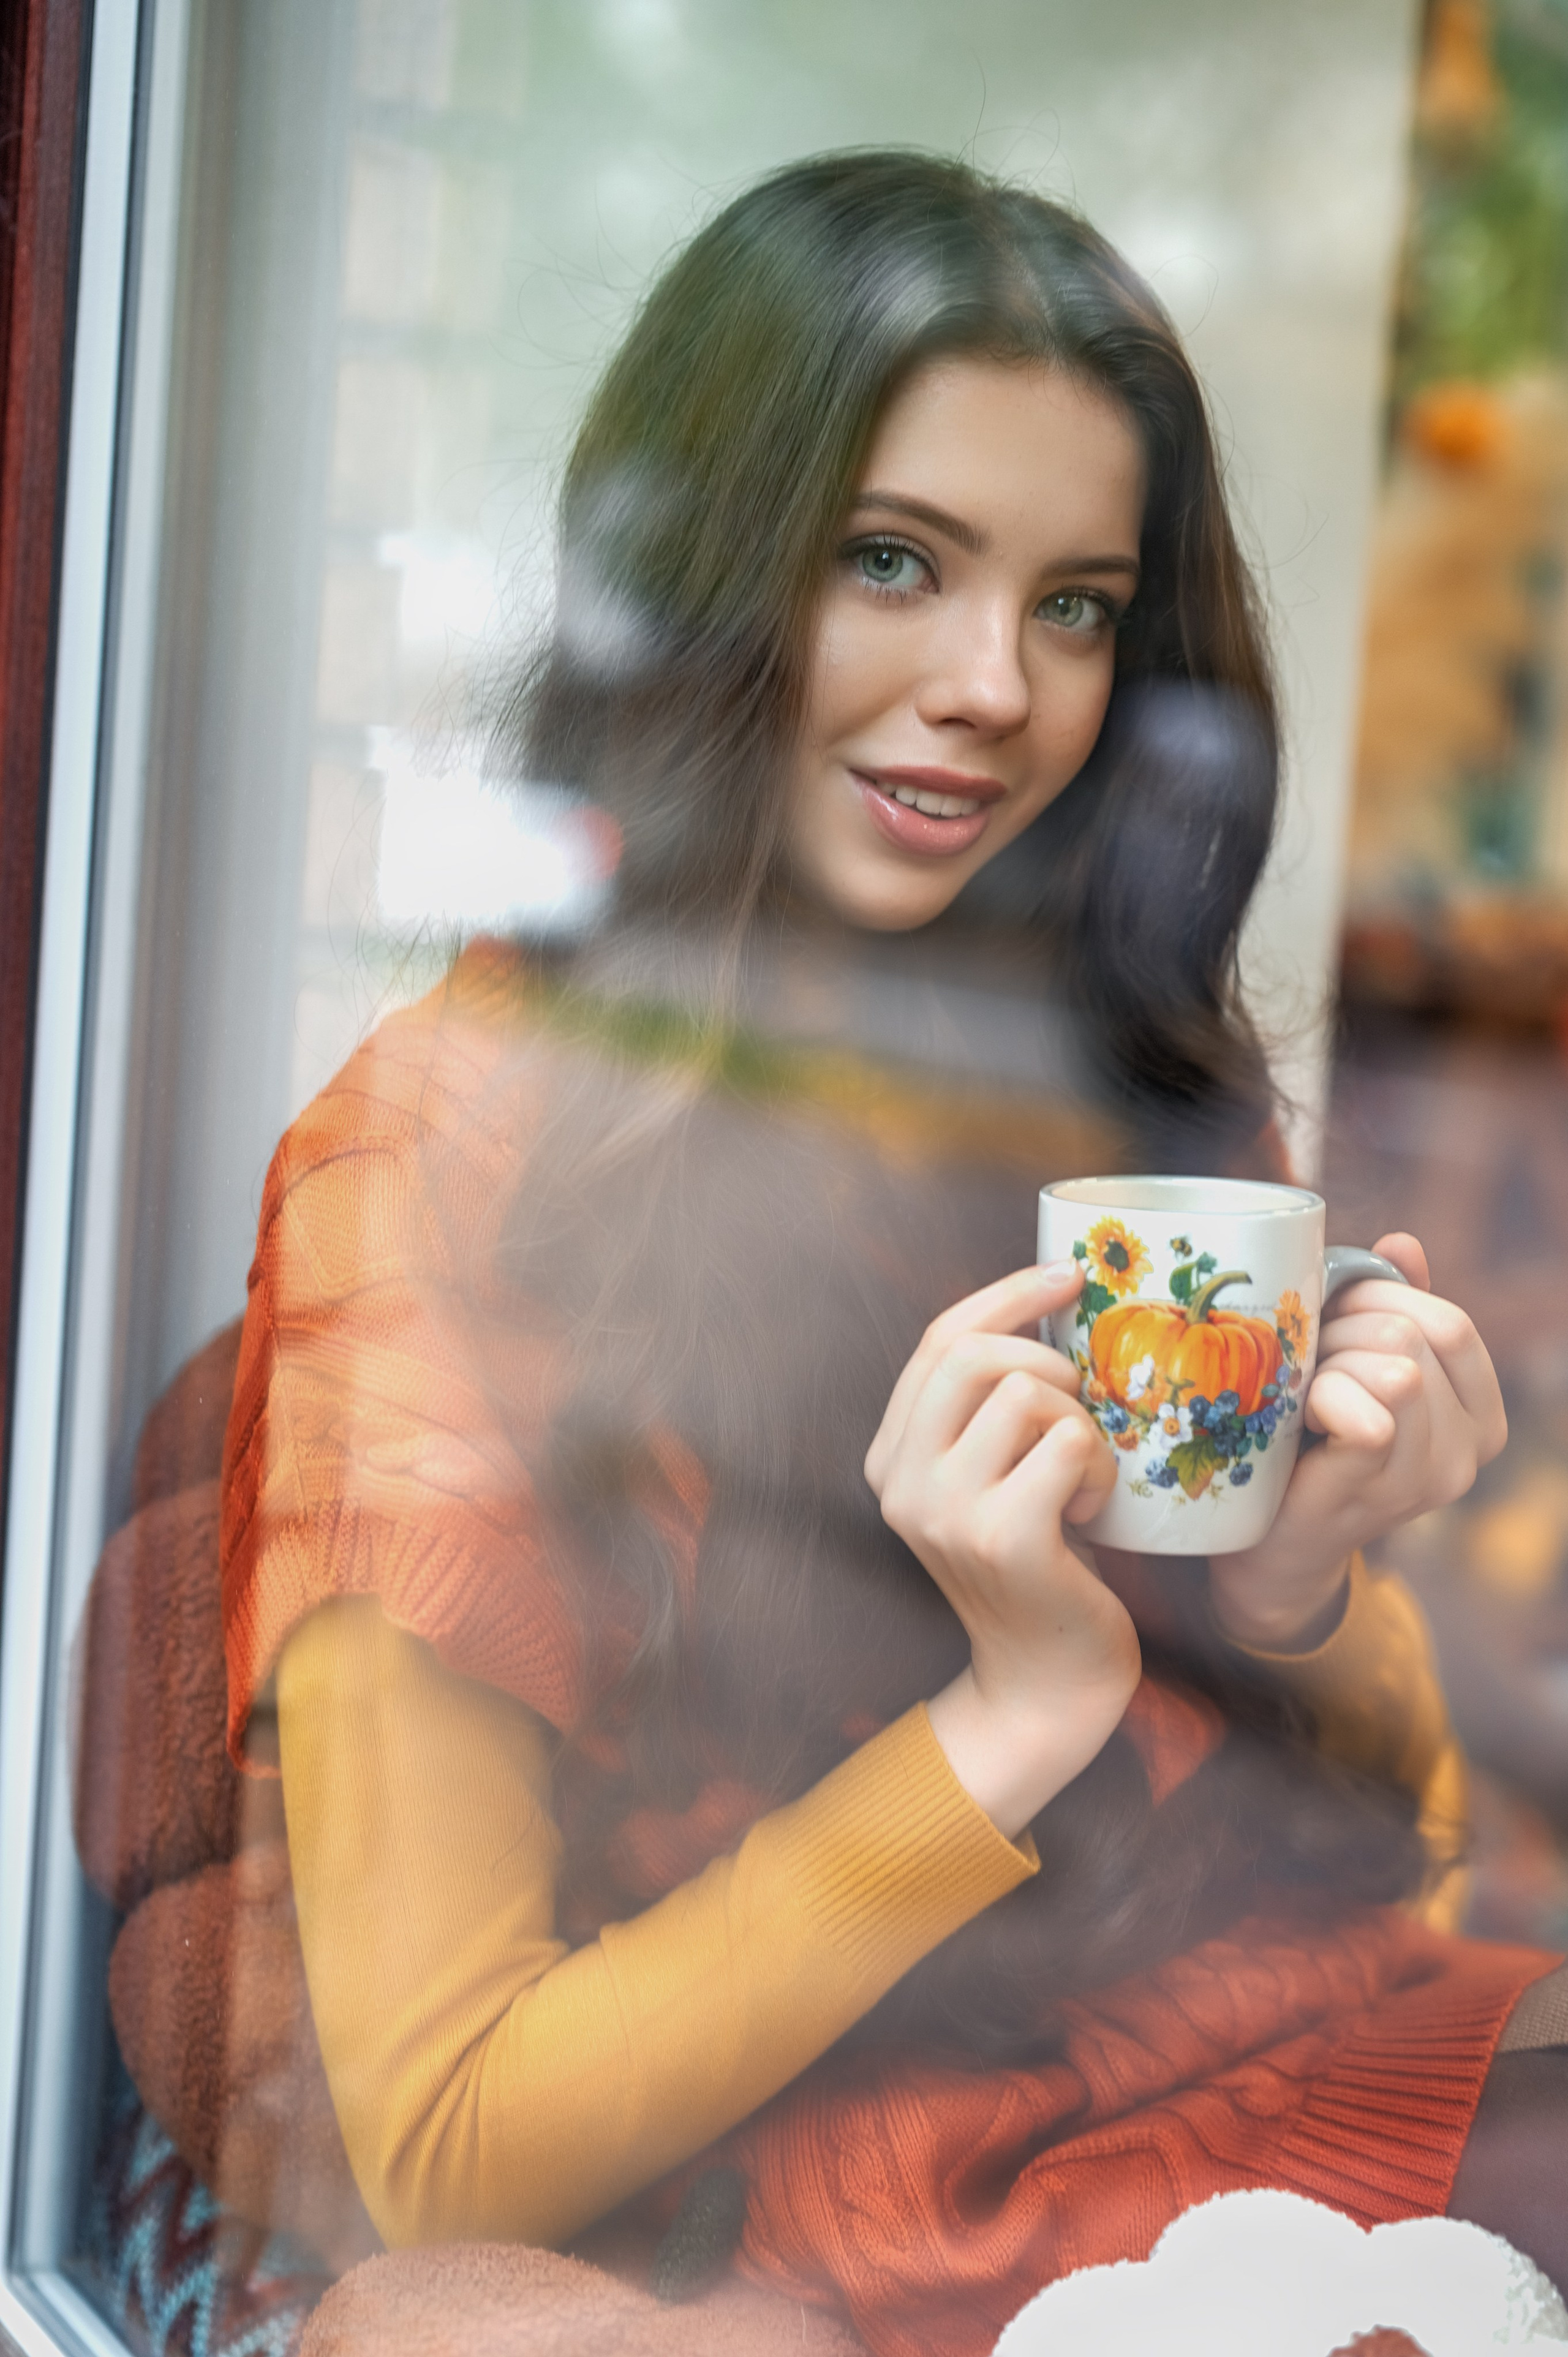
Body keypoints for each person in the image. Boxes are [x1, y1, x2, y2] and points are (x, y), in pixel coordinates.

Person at [217, 152, 1562, 2354]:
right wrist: (1005, 1718)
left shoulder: (1104, 1081)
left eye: (1079, 607)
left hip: (1287, 2060)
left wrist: (1301, 1587)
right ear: (702, 577)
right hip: (833, 2199)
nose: (995, 688)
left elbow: (1391, 1830)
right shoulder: (437, 1167)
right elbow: (448, 2151)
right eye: (892, 563)